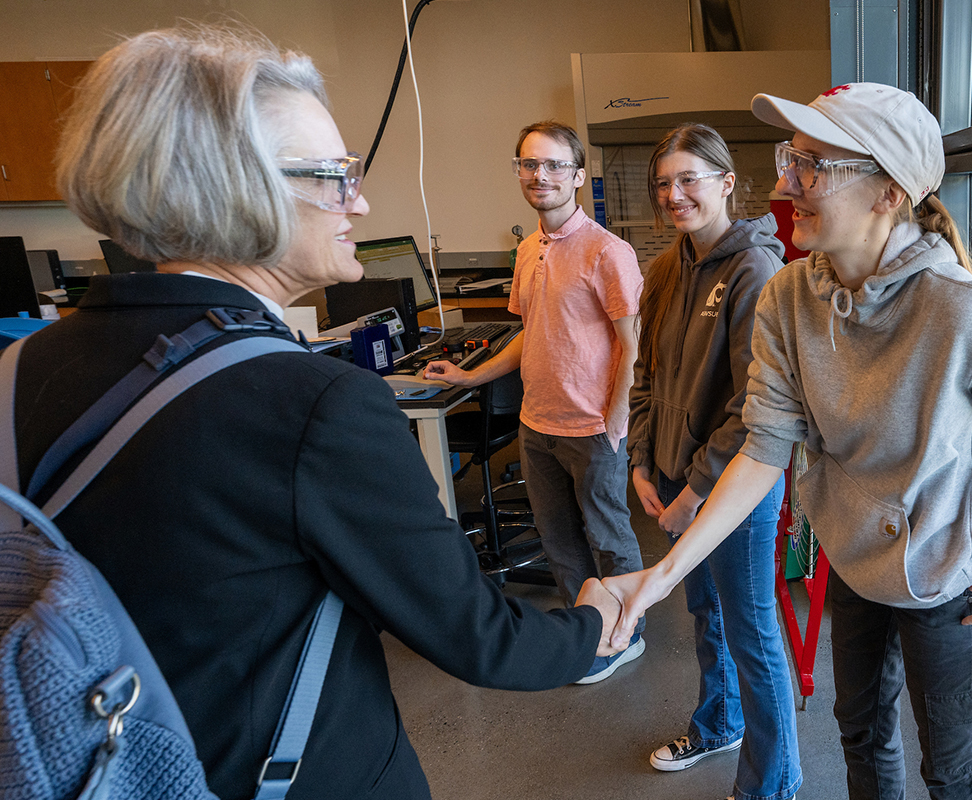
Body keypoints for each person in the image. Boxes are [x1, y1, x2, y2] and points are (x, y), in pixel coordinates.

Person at [10, 26, 621, 800]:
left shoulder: (17, 371)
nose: (358, 201)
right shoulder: (318, 403)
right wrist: (594, 623)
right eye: (335, 177)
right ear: (238, 187)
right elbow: (482, 639)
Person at [604, 83, 972, 800]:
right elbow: (763, 448)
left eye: (813, 166)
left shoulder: (966, 314)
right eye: (790, 159)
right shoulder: (787, 299)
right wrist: (659, 578)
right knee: (862, 738)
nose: (785, 184)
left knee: (954, 774)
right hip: (852, 558)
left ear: (888, 193)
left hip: (949, 580)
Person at [424, 121, 647, 683]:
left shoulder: (607, 251)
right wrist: (471, 375)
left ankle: (628, 633)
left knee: (609, 538)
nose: (539, 175)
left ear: (577, 176)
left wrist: (617, 418)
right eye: (529, 164)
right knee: (559, 538)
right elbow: (532, 332)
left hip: (591, 425)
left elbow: (633, 343)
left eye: (553, 165)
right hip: (536, 422)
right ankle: (585, 631)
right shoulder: (528, 250)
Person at [627, 123, 800, 800]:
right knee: (708, 614)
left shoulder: (756, 270)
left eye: (688, 179)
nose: (674, 195)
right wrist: (643, 461)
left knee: (753, 634)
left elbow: (752, 405)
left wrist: (695, 492)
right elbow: (647, 375)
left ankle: (773, 783)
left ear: (727, 182)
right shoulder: (666, 269)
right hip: (674, 477)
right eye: (663, 183)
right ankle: (720, 723)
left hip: (734, 487)